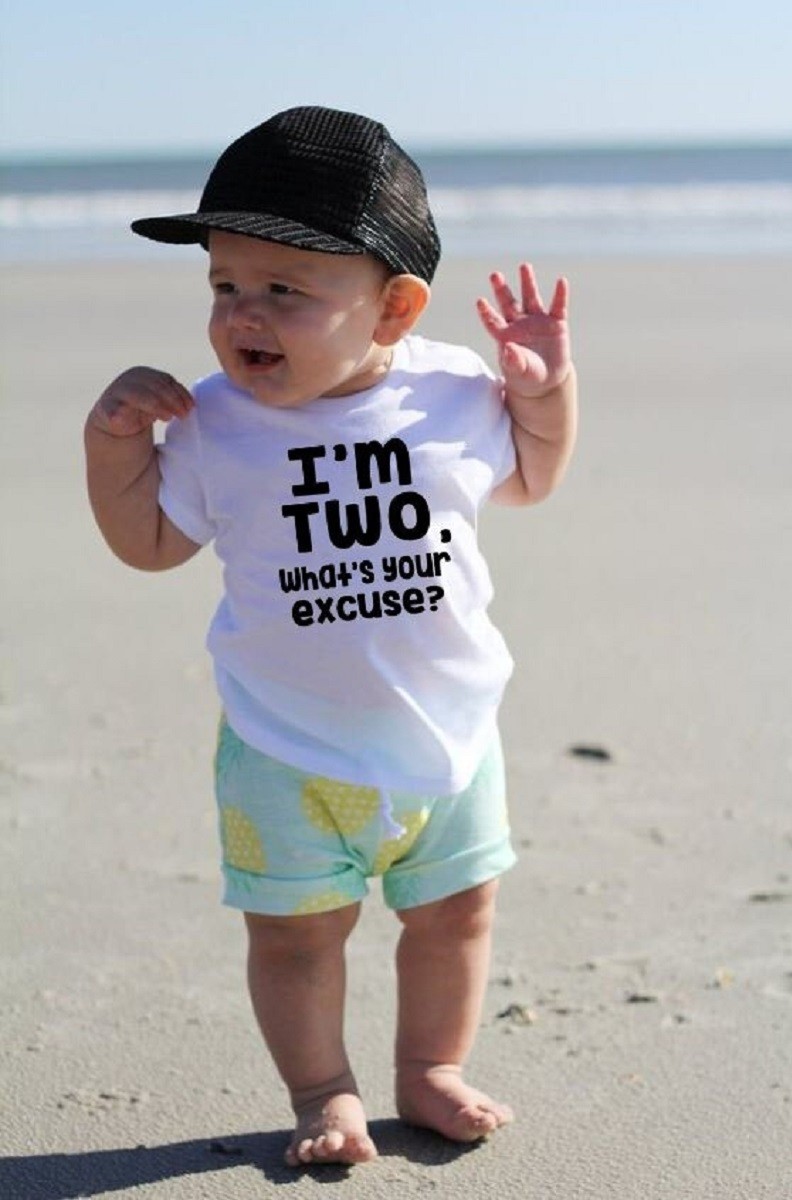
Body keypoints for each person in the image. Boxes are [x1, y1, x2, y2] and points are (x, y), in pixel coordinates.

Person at [84, 105, 577, 1168]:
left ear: (394, 306)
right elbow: (150, 544)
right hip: (285, 748)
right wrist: (114, 445)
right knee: (297, 939)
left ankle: (430, 1069)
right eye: (224, 285)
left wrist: (546, 394)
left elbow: (534, 475)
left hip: (451, 739)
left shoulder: (453, 393)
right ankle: (322, 1090)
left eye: (284, 290)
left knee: (456, 916)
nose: (241, 315)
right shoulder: (214, 422)